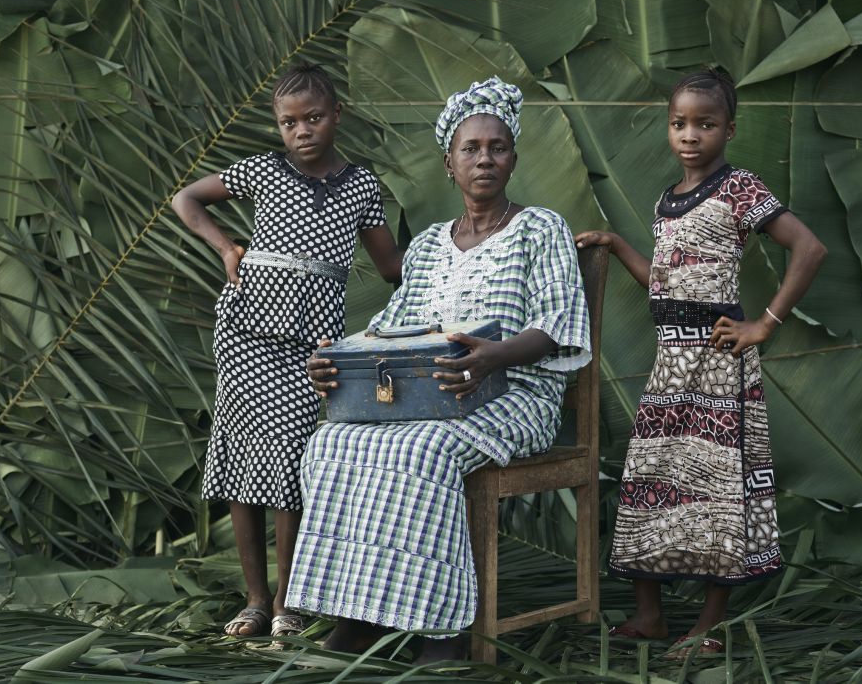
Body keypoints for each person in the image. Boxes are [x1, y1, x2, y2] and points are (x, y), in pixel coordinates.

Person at [285, 76, 591, 663]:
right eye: (470, 149)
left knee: (421, 451)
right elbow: (389, 329)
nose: (484, 159)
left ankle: (442, 628)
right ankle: (357, 615)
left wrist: (491, 358)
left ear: (513, 159)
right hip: (422, 397)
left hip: (515, 396)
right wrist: (334, 358)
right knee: (329, 444)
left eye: (496, 148)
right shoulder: (426, 244)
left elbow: (557, 323)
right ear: (448, 163)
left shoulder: (540, 228)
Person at [575, 70, 826, 655]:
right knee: (650, 480)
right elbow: (661, 285)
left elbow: (809, 247)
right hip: (669, 363)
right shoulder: (666, 200)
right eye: (679, 123)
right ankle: (650, 615)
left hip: (717, 365)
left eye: (705, 124)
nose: (690, 135)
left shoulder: (739, 187)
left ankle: (708, 626)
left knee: (717, 492)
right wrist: (617, 244)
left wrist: (764, 323)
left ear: (728, 130)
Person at [172, 64, 402, 639]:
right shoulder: (263, 171)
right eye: (288, 122)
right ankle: (253, 600)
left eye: (314, 118)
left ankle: (286, 601)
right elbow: (187, 199)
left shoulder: (361, 186)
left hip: (309, 344)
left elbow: (391, 266)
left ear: (337, 115)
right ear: (278, 127)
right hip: (246, 331)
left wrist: (467, 251)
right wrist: (227, 247)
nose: (302, 131)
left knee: (291, 466)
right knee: (242, 458)